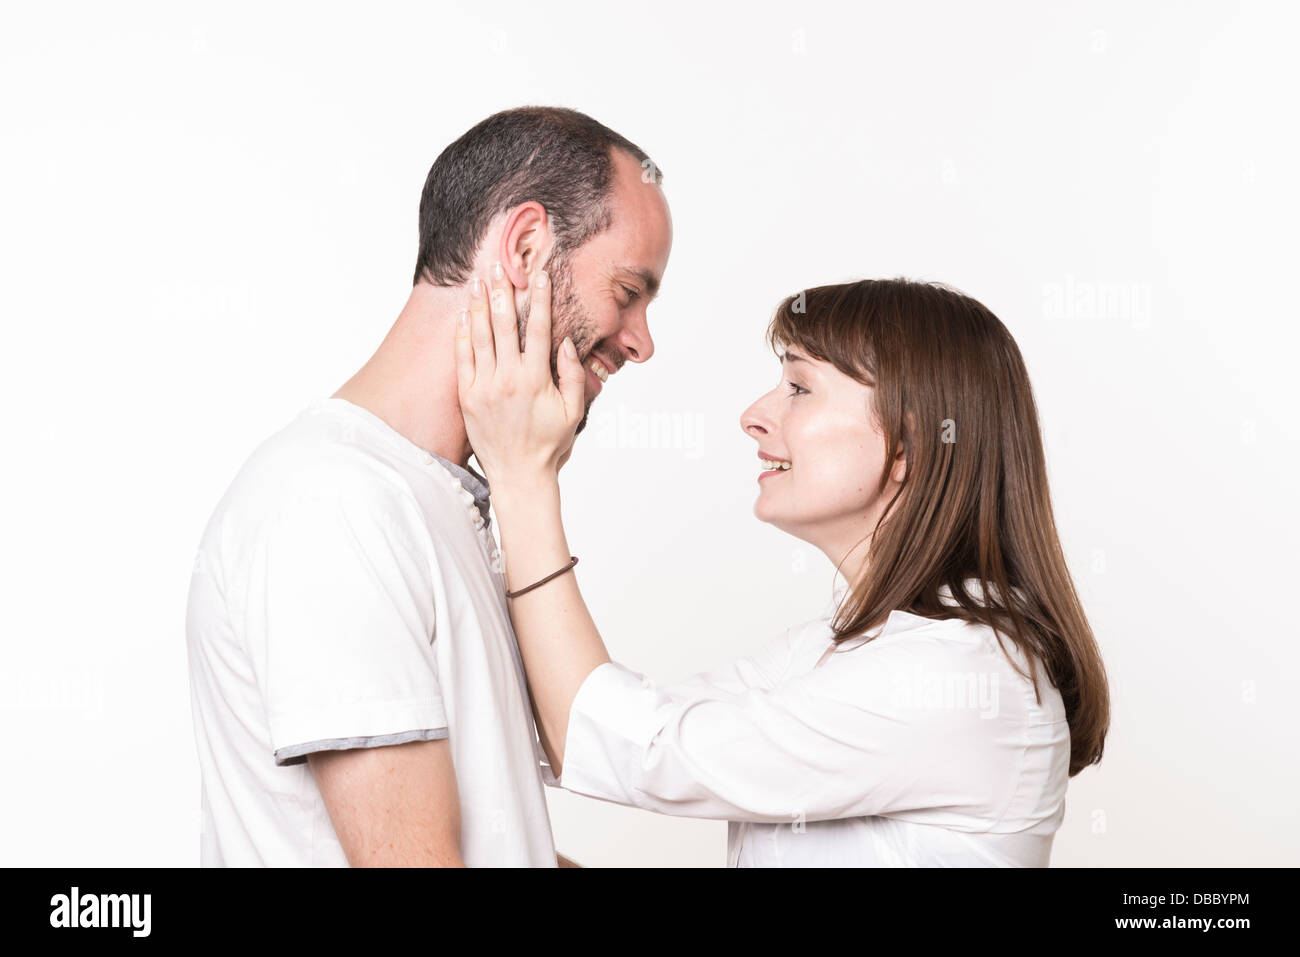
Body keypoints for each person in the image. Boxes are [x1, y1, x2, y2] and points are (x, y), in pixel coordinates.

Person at [454, 271, 1110, 867]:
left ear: (909, 444)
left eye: (798, 387)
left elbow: (629, 747)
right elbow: (592, 723)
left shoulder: (956, 676)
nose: (754, 416)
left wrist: (522, 478)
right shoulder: (830, 651)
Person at [184, 106, 672, 866]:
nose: (641, 341)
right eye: (628, 290)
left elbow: (501, 842)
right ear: (527, 245)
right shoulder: (334, 502)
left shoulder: (435, 498)